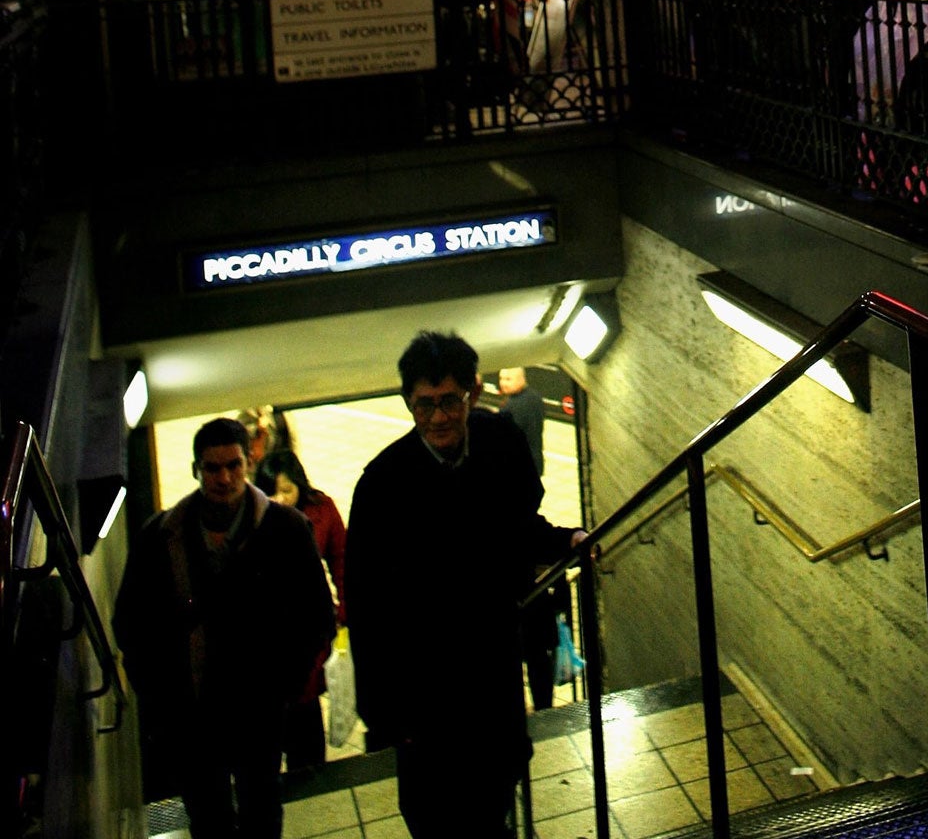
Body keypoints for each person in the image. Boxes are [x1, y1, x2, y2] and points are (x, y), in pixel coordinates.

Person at [346, 330, 582, 839]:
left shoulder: (499, 442)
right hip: (422, 691)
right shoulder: (382, 485)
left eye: (449, 401)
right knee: (434, 814)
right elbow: (365, 607)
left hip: (490, 673)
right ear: (408, 401)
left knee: (494, 795)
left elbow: (519, 526)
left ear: (473, 393)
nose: (437, 418)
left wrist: (567, 540)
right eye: (424, 405)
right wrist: (380, 717)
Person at [114, 417, 335, 838]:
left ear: (248, 464)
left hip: (261, 706)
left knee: (262, 809)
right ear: (196, 470)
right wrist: (160, 694)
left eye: (233, 465)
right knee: (209, 815)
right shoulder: (162, 536)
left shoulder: (286, 529)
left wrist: (287, 683)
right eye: (213, 468)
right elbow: (131, 622)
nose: (225, 478)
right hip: (192, 711)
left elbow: (316, 615)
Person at [264, 448, 347, 775]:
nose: (280, 499)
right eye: (272, 491)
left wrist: (344, 612)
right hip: (267, 641)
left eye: (286, 490)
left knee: (306, 716)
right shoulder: (251, 516)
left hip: (308, 635)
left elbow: (342, 558)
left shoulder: (320, 509)